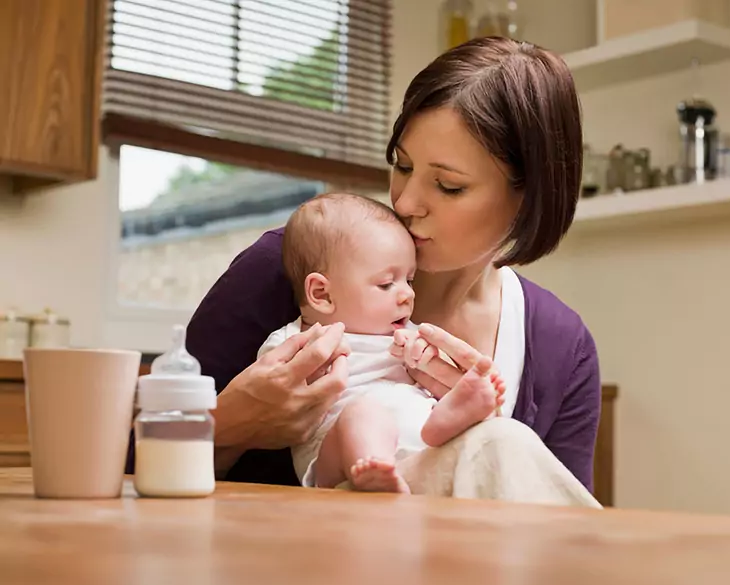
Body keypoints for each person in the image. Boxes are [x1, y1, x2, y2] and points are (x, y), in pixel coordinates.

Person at [152, 36, 600, 496]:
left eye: (448, 186)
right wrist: (229, 425)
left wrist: (469, 433)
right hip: (289, 562)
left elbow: (556, 547)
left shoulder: (562, 350)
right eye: (402, 166)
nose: (405, 202)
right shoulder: (290, 269)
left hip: (476, 566)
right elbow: (134, 466)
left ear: (528, 197)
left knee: (502, 441)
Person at [259, 192, 506, 493]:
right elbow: (272, 393)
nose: (407, 295)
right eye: (387, 283)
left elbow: (433, 372)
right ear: (322, 294)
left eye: (410, 280)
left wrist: (427, 358)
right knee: (363, 414)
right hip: (340, 461)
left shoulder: (408, 333)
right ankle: (373, 468)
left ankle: (447, 419)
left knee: (427, 405)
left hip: (421, 445)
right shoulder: (294, 342)